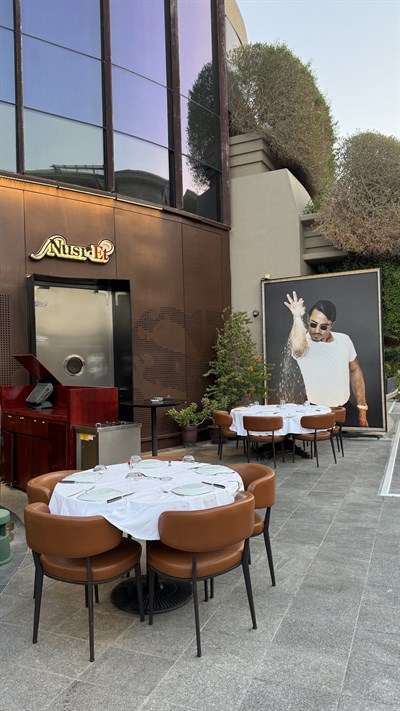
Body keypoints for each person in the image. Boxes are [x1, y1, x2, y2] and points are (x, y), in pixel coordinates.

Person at [284, 291, 369, 427]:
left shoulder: (344, 339)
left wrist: (362, 408)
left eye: (323, 327)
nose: (316, 330)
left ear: (331, 325)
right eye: (313, 324)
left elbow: (355, 370)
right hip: (315, 411)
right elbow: (297, 349)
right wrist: (297, 317)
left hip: (344, 410)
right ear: (308, 320)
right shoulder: (304, 342)